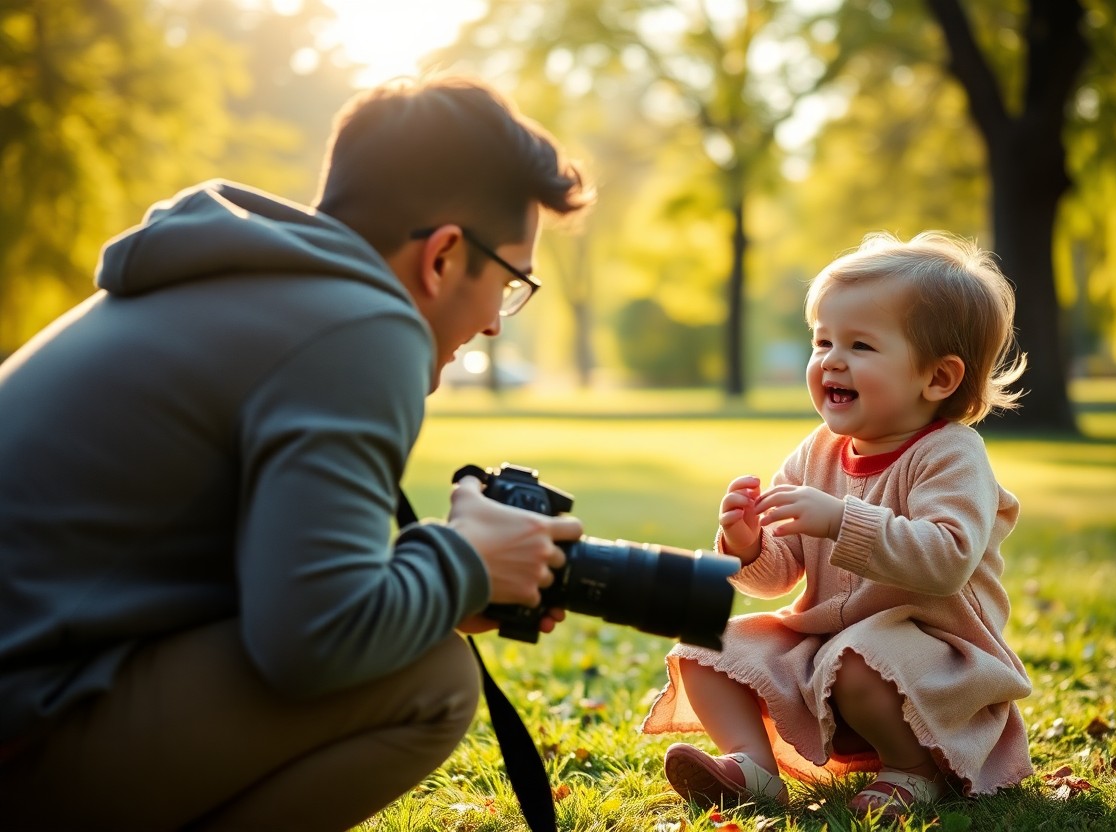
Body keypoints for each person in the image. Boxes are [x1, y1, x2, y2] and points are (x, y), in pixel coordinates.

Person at [0, 74, 593, 830]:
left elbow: (260, 586)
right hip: (23, 736)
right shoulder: (362, 328)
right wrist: (463, 563)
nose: (495, 326)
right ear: (444, 256)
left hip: (33, 686)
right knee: (432, 678)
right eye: (511, 281)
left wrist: (445, 593)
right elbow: (311, 641)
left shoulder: (245, 281)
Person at [642, 231, 1034, 819]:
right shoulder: (816, 452)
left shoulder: (952, 455)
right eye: (822, 340)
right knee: (706, 641)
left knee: (857, 656)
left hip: (933, 663)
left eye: (860, 345)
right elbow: (778, 576)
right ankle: (753, 768)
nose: (831, 359)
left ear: (938, 378)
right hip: (829, 650)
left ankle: (916, 768)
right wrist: (747, 544)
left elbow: (946, 559)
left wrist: (840, 520)